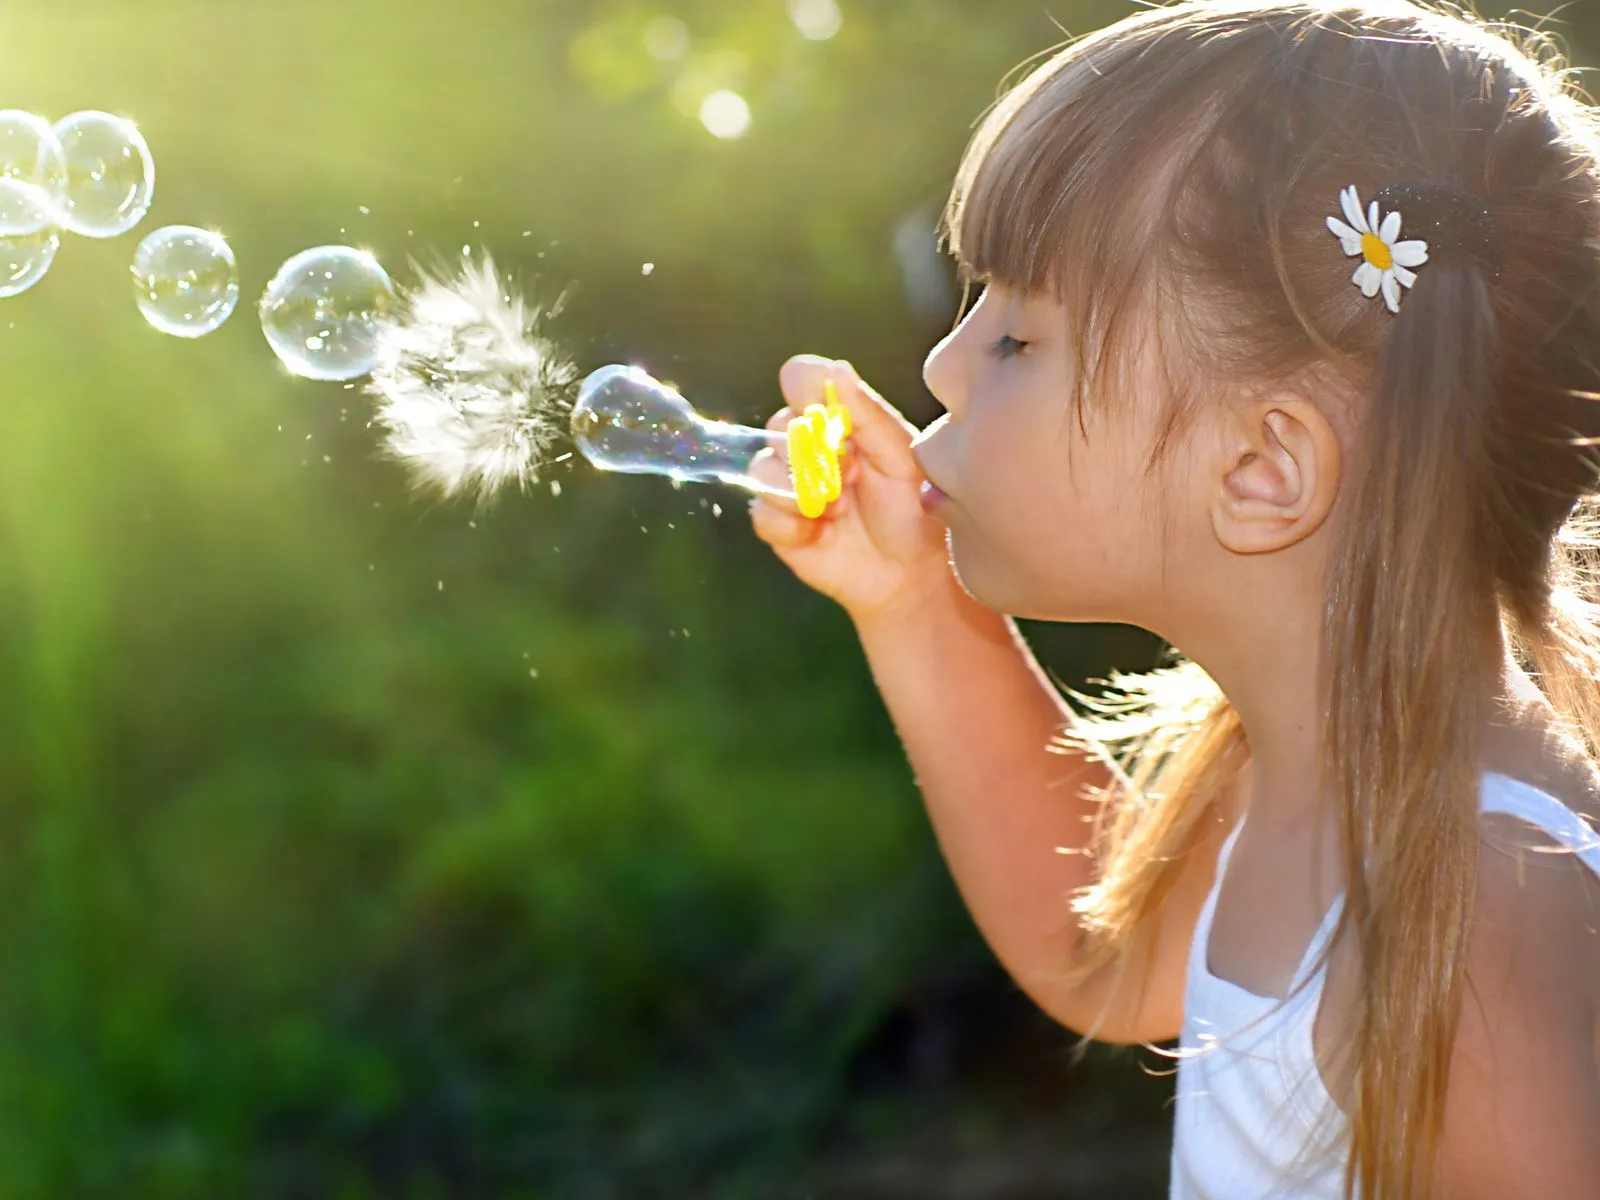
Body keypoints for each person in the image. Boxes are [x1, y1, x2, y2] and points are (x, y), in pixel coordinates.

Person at [750, 2, 1600, 1196]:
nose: (942, 364)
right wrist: (914, 603)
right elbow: (1101, 956)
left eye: (1014, 337)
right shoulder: (1303, 768)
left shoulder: (1485, 920)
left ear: (1262, 471)